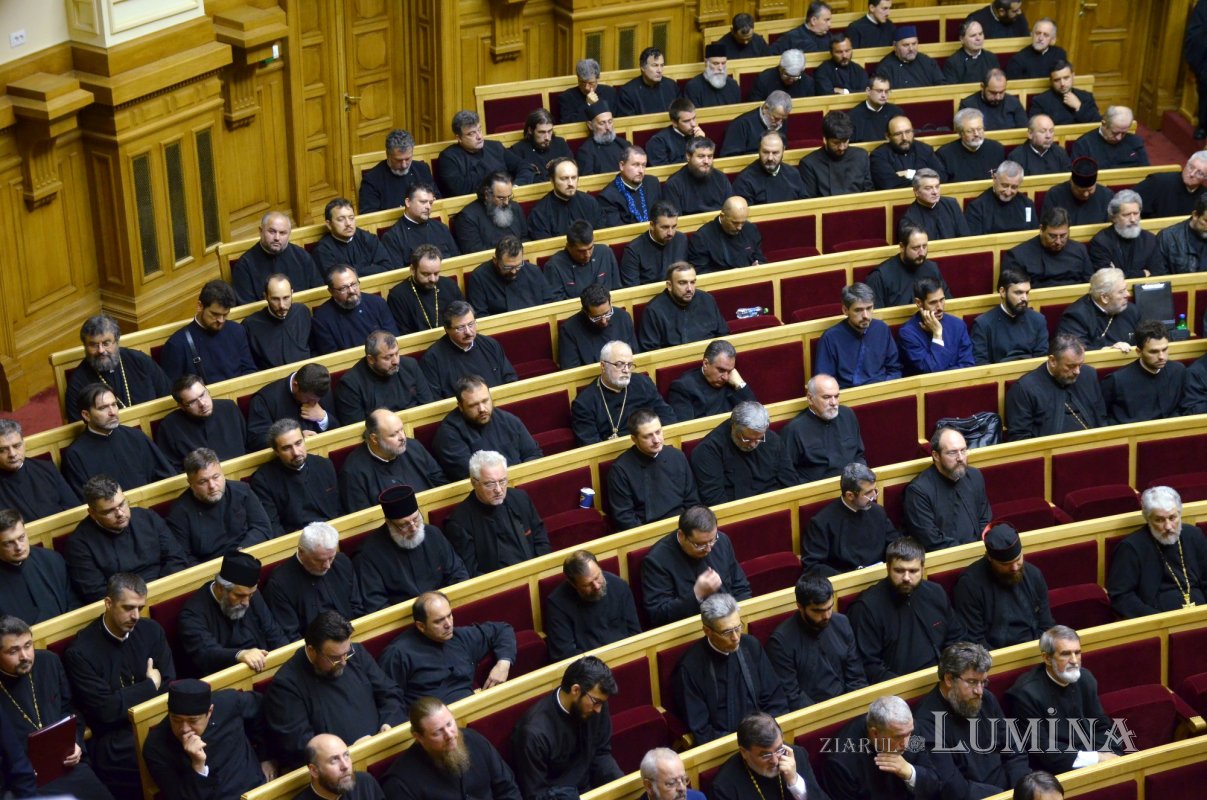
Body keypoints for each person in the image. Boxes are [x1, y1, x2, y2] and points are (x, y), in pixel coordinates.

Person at [64, 573, 174, 798]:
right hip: (113, 742)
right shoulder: (81, 651)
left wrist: (129, 699)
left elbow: (169, 684)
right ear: (108, 603)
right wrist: (150, 685)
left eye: (140, 608)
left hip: (157, 722)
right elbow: (106, 711)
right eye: (128, 607)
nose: (135, 616)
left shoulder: (151, 631)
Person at [264, 611, 405, 770]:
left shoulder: (355, 654)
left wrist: (388, 724)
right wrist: (347, 752)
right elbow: (299, 745)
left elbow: (390, 693)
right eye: (335, 657)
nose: (344, 662)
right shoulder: (285, 685)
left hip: (385, 750)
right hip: (338, 771)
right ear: (311, 650)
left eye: (346, 653)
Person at [0, 615, 112, 798]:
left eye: (28, 645)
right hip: (24, 782)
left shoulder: (48, 662)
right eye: (13, 651)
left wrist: (75, 743)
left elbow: (70, 709)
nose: (25, 656)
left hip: (66, 765)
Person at [912, 643, 1031, 798]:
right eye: (972, 682)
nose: (979, 691)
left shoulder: (986, 699)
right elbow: (951, 785)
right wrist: (1002, 796)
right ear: (949, 679)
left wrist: (1019, 790)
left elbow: (1015, 750)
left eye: (983, 682)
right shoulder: (926, 721)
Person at [672, 594, 789, 744]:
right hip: (725, 747)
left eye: (738, 627)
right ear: (707, 631)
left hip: (767, 738)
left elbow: (775, 699)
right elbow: (702, 730)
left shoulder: (751, 646)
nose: (736, 637)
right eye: (727, 632)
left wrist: (769, 735)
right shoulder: (690, 667)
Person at [1005, 625, 1125, 772]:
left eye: (1077, 652)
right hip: (1057, 769)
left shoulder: (1086, 678)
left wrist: (1112, 754)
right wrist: (1097, 758)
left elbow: (1101, 725)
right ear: (1047, 658)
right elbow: (1043, 749)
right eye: (1066, 654)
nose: (1074, 661)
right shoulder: (1026, 694)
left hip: (1092, 755)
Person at [848, 537, 965, 682]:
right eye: (899, 570)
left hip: (943, 678)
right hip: (898, 690)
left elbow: (955, 638)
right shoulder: (866, 607)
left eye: (913, 571)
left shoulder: (936, 593)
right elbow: (870, 666)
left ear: (923, 568)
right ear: (888, 568)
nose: (906, 578)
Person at [378, 590, 515, 708]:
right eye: (439, 621)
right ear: (421, 626)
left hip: (473, 708)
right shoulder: (397, 654)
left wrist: (503, 663)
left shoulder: (459, 636)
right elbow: (389, 698)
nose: (449, 624)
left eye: (449, 615)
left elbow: (502, 630)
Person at [512, 655, 624, 799]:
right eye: (596, 702)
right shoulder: (532, 734)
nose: (599, 710)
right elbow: (536, 794)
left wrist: (620, 785)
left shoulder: (596, 706)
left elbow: (601, 753)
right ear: (576, 690)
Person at [65, 475, 190, 602]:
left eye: (122, 504)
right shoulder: (79, 544)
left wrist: (161, 590)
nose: (120, 513)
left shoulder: (147, 517)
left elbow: (176, 557)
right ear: (92, 513)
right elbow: (95, 593)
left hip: (167, 589)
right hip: (125, 607)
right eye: (109, 511)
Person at [142, 678, 273, 799]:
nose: (184, 728)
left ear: (209, 712)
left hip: (257, 791)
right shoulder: (155, 746)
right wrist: (198, 767)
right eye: (176, 719)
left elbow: (261, 708)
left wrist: (266, 756)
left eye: (193, 720)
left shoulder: (229, 703)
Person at [355, 485, 468, 612]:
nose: (414, 528)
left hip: (445, 611)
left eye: (416, 519)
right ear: (389, 523)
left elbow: (458, 573)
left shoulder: (433, 534)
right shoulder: (369, 554)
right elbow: (376, 604)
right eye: (404, 525)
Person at [176, 551, 286, 677]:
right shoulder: (192, 614)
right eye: (239, 596)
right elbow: (206, 653)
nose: (246, 603)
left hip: (264, 667)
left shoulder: (250, 595)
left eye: (250, 595)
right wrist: (240, 654)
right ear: (221, 588)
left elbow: (273, 632)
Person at [379, 700, 518, 800]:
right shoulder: (401, 782)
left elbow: (507, 788)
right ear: (419, 737)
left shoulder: (474, 739)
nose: (450, 735)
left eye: (450, 724)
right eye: (438, 732)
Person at [639, 505, 751, 626]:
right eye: (699, 545)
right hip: (691, 630)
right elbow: (659, 616)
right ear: (682, 536)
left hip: (731, 622)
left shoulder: (722, 541)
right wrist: (697, 594)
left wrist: (736, 619)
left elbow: (741, 588)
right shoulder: (657, 561)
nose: (708, 549)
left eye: (712, 540)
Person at [444, 450, 551, 576]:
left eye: (502, 481)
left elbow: (541, 539)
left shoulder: (520, 498)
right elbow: (472, 572)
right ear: (474, 483)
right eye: (490, 484)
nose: (499, 490)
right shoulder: (459, 522)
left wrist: (540, 571)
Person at [766, 576, 867, 709]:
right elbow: (793, 696)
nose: (826, 616)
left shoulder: (841, 623)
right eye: (818, 611)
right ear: (800, 607)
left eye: (829, 608)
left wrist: (852, 707)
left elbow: (856, 677)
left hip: (849, 706)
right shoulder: (780, 642)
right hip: (813, 717)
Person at [1107, 485, 1207, 617]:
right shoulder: (1131, 547)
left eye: (1172, 518)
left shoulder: (1193, 535)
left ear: (1180, 514)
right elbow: (1121, 596)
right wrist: (1156, 620)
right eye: (1159, 520)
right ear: (1148, 519)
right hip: (1159, 621)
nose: (1168, 527)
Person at [954, 523, 1055, 649]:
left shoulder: (1034, 574)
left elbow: (1046, 624)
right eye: (1006, 564)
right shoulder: (969, 585)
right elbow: (974, 639)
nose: (1014, 567)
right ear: (990, 558)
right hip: (993, 658)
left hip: (1035, 650)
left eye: (1018, 559)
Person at [60, 383, 175, 495]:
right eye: (103, 408)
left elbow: (166, 476)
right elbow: (85, 501)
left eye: (114, 404)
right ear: (86, 415)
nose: (113, 412)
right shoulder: (76, 455)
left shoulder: (135, 436)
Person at [166, 447, 272, 562]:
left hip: (247, 556)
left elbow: (262, 527)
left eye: (216, 477)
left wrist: (241, 552)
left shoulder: (242, 490)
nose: (212, 485)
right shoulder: (179, 512)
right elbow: (183, 557)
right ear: (191, 484)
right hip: (209, 571)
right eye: (203, 481)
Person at [827, 695, 943, 800]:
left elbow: (935, 785)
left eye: (909, 734)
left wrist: (910, 772)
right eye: (898, 737)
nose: (906, 743)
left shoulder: (907, 729)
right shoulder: (841, 763)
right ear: (875, 733)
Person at [263, 522, 363, 640]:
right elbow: (291, 635)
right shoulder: (280, 584)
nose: (327, 566)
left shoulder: (342, 562)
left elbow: (357, 608)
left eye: (331, 558)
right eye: (319, 560)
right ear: (301, 552)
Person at [432, 375, 542, 480]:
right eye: (473, 405)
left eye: (485, 401)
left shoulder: (507, 419)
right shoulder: (448, 435)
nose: (482, 409)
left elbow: (533, 453)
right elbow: (471, 475)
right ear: (460, 406)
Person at [606, 409, 699, 532]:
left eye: (658, 432)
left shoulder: (677, 456)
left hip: (684, 526)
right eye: (647, 436)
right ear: (634, 439)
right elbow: (625, 518)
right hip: (647, 531)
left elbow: (692, 500)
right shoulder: (620, 470)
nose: (656, 440)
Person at [337, 409, 445, 513]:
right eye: (393, 435)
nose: (402, 437)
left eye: (402, 430)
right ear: (374, 439)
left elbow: (441, 483)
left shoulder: (414, 447)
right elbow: (365, 520)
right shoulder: (353, 472)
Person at [691, 401, 798, 505]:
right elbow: (716, 502)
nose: (753, 444)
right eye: (747, 439)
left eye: (759, 439)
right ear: (733, 426)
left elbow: (789, 481)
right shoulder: (707, 451)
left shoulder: (771, 439)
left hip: (776, 506)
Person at [570, 340, 676, 445]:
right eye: (619, 364)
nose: (626, 370)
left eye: (629, 365)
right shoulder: (584, 403)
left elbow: (667, 416)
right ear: (603, 366)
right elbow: (591, 446)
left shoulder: (643, 383)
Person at [801, 463, 898, 577]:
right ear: (850, 495)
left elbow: (894, 543)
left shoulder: (878, 512)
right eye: (867, 493)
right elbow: (813, 566)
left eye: (874, 490)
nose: (874, 496)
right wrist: (849, 577)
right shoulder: (821, 523)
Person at [903, 427, 992, 551]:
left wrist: (980, 548)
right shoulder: (918, 491)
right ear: (936, 455)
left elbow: (985, 519)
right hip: (947, 560)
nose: (960, 458)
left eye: (963, 450)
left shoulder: (974, 475)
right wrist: (967, 553)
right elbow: (931, 540)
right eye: (952, 452)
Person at [1005, 333, 1107, 440]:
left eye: (1080, 365)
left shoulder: (1088, 375)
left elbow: (1101, 418)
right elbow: (1020, 438)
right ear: (1053, 361)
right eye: (1071, 366)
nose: (1077, 372)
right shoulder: (1024, 389)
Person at [544, 550, 642, 661]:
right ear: (573, 584)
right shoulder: (557, 604)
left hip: (625, 657)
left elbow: (635, 633)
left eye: (597, 577)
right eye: (587, 584)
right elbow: (564, 654)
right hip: (588, 670)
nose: (596, 586)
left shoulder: (619, 586)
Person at [250, 418, 342, 535]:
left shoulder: (324, 465)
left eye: (298, 443)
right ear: (276, 451)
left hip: (332, 532)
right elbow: (274, 528)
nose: (296, 452)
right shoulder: (263, 480)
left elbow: (338, 510)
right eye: (287, 448)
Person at [709, 713, 829, 800]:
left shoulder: (796, 755)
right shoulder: (725, 786)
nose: (776, 761)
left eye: (779, 750)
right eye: (766, 755)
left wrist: (795, 782)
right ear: (744, 752)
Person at [159, 279, 257, 383]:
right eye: (215, 314)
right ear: (200, 306)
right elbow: (173, 390)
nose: (221, 320)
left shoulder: (237, 330)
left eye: (225, 314)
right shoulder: (177, 344)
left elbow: (249, 370)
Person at [334, 331, 434, 426]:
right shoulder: (350, 384)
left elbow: (427, 406)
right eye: (388, 357)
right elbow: (357, 428)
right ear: (371, 359)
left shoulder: (410, 365)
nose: (396, 361)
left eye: (397, 353)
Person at [420, 301, 518, 398]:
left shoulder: (490, 344)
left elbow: (510, 378)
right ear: (447, 329)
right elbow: (435, 401)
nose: (468, 332)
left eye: (471, 324)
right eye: (460, 327)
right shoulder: (432, 359)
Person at [815, 283, 903, 388]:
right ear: (845, 310)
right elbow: (825, 382)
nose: (865, 316)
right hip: (848, 397)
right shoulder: (830, 338)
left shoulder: (882, 329)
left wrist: (886, 388)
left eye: (869, 308)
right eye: (858, 310)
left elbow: (894, 369)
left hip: (882, 392)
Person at [782, 374, 865, 482]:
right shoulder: (794, 430)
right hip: (817, 493)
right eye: (827, 397)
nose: (834, 403)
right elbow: (787, 474)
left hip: (852, 486)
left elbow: (859, 454)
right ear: (810, 399)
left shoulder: (848, 415)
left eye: (836, 396)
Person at [155, 375, 249, 469]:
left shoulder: (229, 408)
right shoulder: (169, 426)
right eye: (192, 402)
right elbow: (172, 469)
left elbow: (248, 446)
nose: (202, 404)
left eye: (202, 395)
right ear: (182, 406)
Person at [0, 510, 77, 624]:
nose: (19, 547)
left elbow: (74, 602)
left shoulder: (51, 559)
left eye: (21, 537)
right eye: (8, 543)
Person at [1102, 320, 1187, 424]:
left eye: (1164, 349)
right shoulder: (1116, 380)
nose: (1161, 357)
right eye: (1153, 352)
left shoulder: (1178, 371)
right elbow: (1103, 417)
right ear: (1139, 352)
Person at [230, 211, 323, 305]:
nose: (277, 238)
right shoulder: (245, 265)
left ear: (289, 234)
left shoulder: (302, 256)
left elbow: (318, 293)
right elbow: (246, 308)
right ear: (260, 231)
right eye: (272, 231)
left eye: (282, 233)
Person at [637, 262, 729, 351]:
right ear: (669, 285)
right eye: (682, 283)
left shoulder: (707, 300)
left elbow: (723, 334)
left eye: (692, 282)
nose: (689, 288)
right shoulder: (654, 310)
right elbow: (650, 351)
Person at [0, 419, 78, 523]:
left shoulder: (46, 468)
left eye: (17, 446)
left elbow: (74, 509)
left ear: (23, 444)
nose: (12, 454)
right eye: (3, 450)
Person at [310, 264, 398, 355]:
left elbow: (393, 339)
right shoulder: (321, 319)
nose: (351, 291)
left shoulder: (377, 303)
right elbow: (334, 357)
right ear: (331, 291)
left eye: (354, 284)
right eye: (343, 288)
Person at [247, 362, 340, 445]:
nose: (314, 403)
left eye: (318, 400)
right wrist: (294, 438)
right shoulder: (264, 399)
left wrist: (323, 417)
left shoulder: (322, 387)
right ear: (296, 385)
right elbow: (256, 439)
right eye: (309, 399)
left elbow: (338, 431)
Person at [897, 279, 975, 376]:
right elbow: (931, 371)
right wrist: (937, 334)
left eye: (942, 300)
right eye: (933, 302)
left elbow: (968, 365)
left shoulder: (958, 325)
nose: (940, 308)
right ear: (919, 302)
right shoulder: (908, 333)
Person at [1001, 205, 1093, 287]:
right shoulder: (1017, 256)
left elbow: (1090, 284)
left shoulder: (1079, 250)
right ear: (1041, 229)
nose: (1058, 241)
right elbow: (1013, 292)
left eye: (1063, 236)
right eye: (1052, 236)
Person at [972, 268, 1049, 365]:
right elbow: (981, 363)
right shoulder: (983, 324)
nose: (1024, 298)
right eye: (1018, 293)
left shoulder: (1038, 320)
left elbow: (1041, 359)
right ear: (1003, 292)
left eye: (1027, 293)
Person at [386, 244, 467, 334]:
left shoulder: (449, 285)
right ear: (413, 270)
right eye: (426, 274)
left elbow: (463, 317)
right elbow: (404, 333)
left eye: (436, 273)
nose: (432, 279)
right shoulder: (398, 295)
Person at [668, 339, 756, 422]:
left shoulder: (732, 381)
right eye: (721, 370)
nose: (725, 377)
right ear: (706, 364)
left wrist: (740, 385)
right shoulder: (682, 387)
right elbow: (686, 430)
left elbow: (755, 416)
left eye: (729, 371)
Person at [866, 224, 951, 308]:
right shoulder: (879, 277)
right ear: (902, 247)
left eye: (924, 246)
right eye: (916, 248)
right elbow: (876, 316)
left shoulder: (932, 268)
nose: (922, 253)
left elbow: (948, 302)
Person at [557, 283, 640, 369]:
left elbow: (634, 354)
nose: (604, 321)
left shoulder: (623, 317)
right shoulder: (569, 330)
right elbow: (572, 371)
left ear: (610, 303)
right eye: (597, 317)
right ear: (585, 311)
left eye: (607, 313)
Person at [1056, 266, 1141, 351]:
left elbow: (1144, 340)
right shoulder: (1076, 316)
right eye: (1121, 292)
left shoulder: (1131, 310)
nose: (1128, 295)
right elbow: (1075, 351)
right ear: (1104, 298)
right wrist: (1108, 350)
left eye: (1126, 289)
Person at [466, 235, 553, 316]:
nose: (514, 271)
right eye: (508, 267)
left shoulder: (534, 271)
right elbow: (481, 316)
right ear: (495, 260)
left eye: (518, 266)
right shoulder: (479, 278)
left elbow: (549, 303)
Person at [242, 273, 314, 370]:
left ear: (292, 293)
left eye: (286, 298)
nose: (282, 305)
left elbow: (314, 348)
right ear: (266, 296)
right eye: (275, 299)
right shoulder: (251, 325)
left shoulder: (302, 312)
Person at [1089, 190, 1166, 278]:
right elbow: (1107, 279)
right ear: (1114, 217)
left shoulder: (1150, 240)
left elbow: (1159, 273)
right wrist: (1143, 273)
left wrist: (1119, 273)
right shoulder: (1101, 242)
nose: (1133, 219)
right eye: (1126, 215)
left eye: (1136, 213)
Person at [358, 128, 438, 213]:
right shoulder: (372, 179)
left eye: (407, 159)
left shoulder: (422, 169)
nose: (404, 165)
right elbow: (369, 216)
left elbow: (437, 198)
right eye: (398, 160)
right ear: (388, 155)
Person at [380, 183, 460, 267]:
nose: (428, 207)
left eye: (431, 203)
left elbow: (456, 260)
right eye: (423, 202)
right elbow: (398, 274)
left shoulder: (441, 227)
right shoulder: (393, 237)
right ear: (408, 202)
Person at [310, 197, 392, 278]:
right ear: (329, 224)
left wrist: (353, 272)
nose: (348, 223)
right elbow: (337, 281)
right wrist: (371, 268)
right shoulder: (323, 250)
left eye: (351, 218)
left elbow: (387, 267)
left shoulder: (367, 238)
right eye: (341, 219)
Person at [436, 110, 510, 198]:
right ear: (459, 138)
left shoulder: (495, 146)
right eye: (471, 133)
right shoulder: (448, 158)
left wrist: (516, 185)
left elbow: (523, 166)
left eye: (479, 130)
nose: (479, 137)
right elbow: (460, 190)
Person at [526, 157, 604, 240]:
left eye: (574, 178)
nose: (570, 183)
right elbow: (545, 248)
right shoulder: (540, 213)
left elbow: (601, 235)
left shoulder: (590, 202)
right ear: (552, 180)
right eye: (564, 178)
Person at [543, 220, 622, 300]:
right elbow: (556, 302)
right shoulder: (554, 266)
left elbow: (617, 289)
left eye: (590, 248)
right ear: (569, 247)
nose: (587, 255)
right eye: (581, 251)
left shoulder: (605, 253)